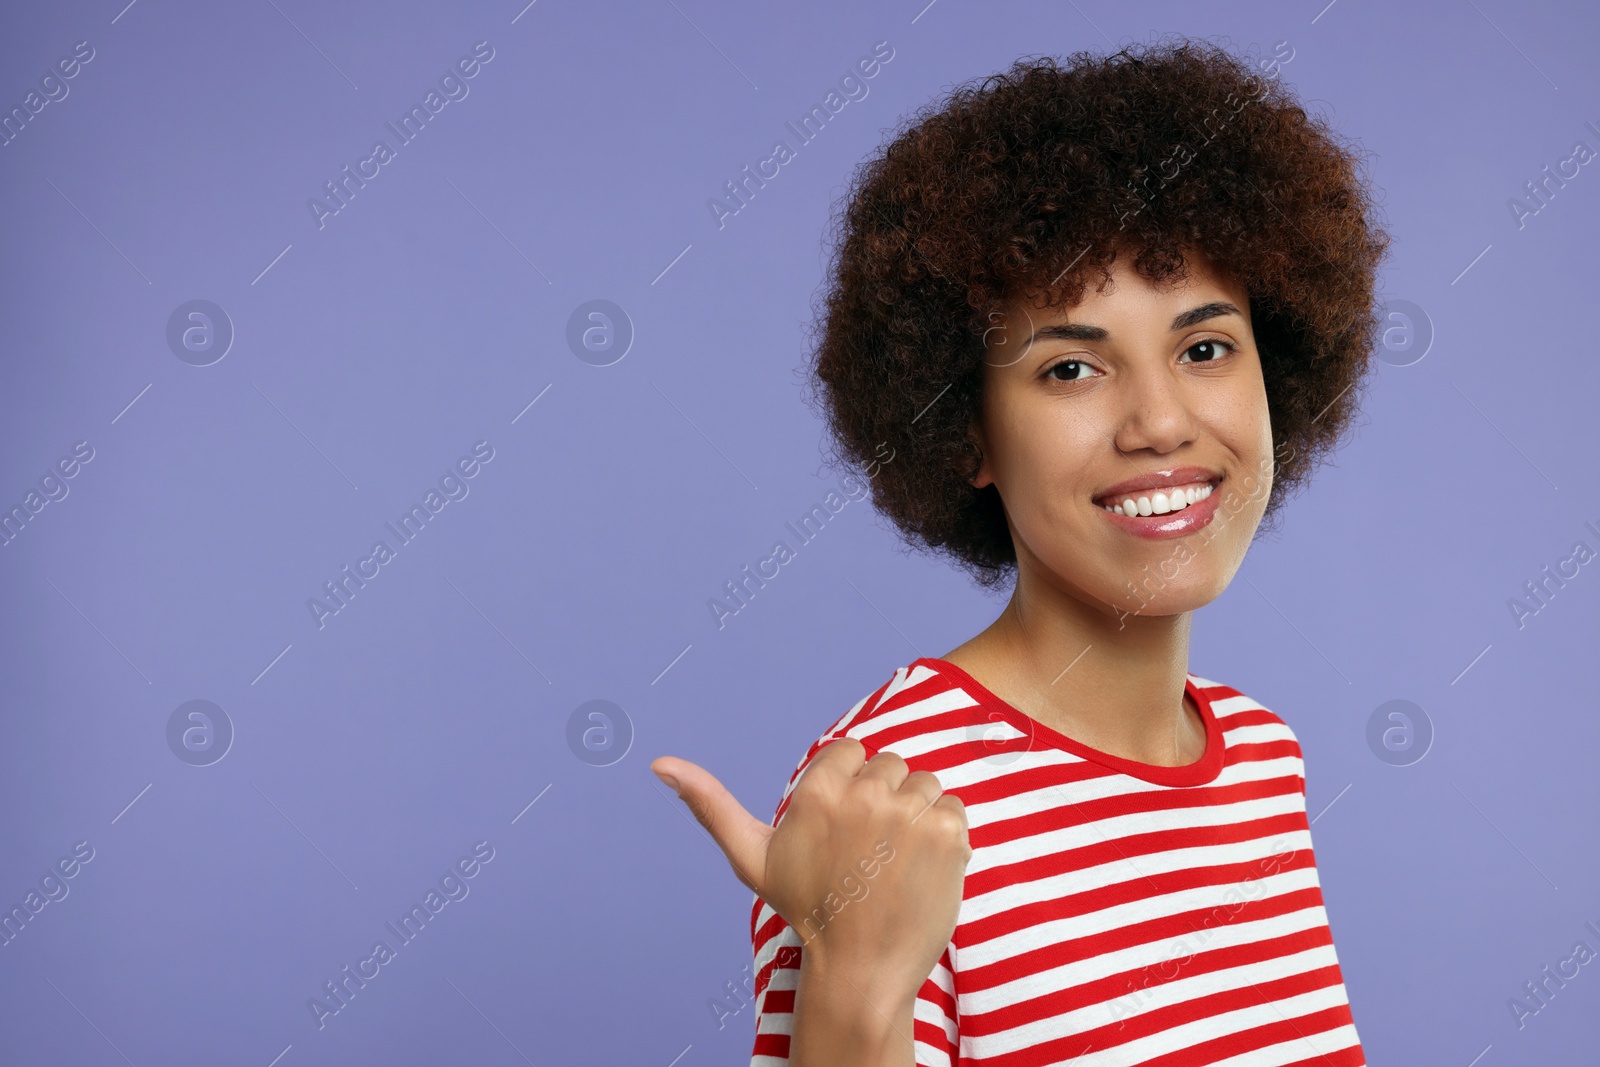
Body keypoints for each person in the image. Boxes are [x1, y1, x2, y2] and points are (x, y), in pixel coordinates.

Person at [653, 36, 1388, 1066]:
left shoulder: (1262, 757)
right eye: (1072, 368)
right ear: (966, 432)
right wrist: (855, 984)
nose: (1159, 422)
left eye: (1205, 347)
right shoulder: (893, 799)